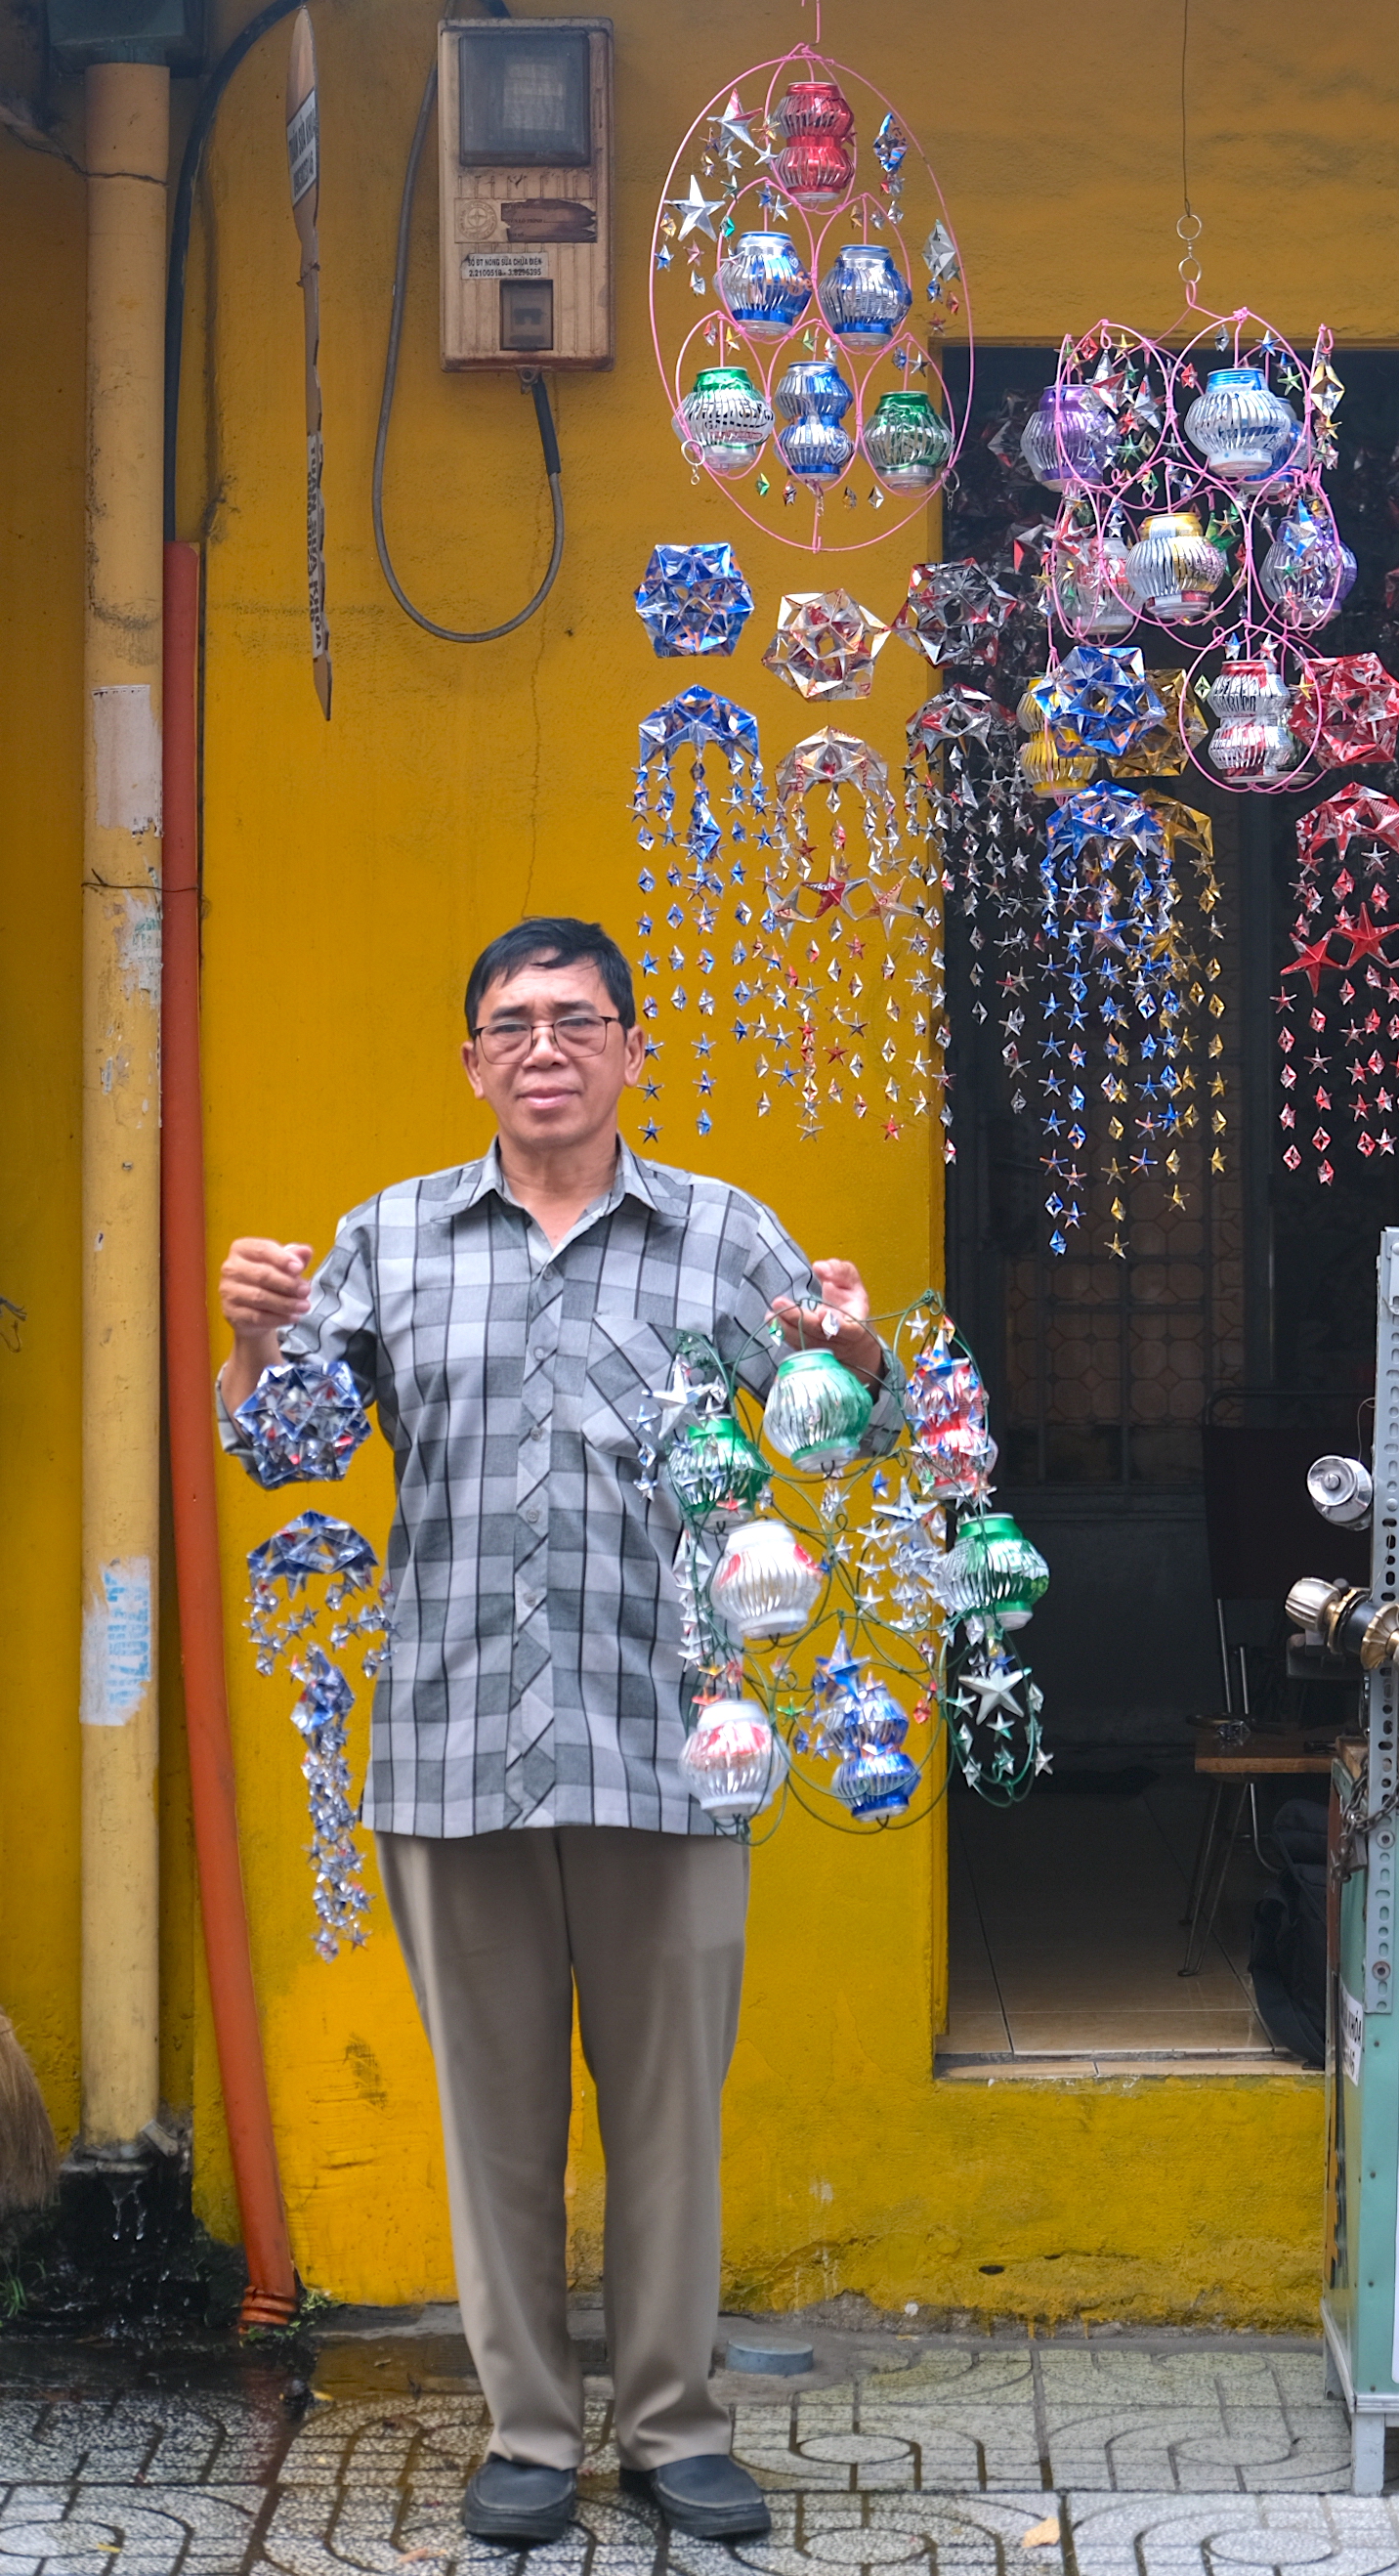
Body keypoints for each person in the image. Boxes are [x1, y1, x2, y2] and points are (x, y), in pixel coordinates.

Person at [218, 917, 898, 2549]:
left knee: (670, 2110)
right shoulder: (389, 1237)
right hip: (452, 1739)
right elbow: (290, 1451)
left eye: (577, 1019)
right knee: (496, 2112)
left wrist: (855, 1351)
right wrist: (253, 1343)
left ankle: (673, 2426)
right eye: (512, 1022)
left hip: (675, 1740)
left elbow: (844, 1437)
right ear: (472, 1060)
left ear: (631, 1051)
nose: (544, 1046)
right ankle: (528, 2427)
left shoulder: (725, 1234)